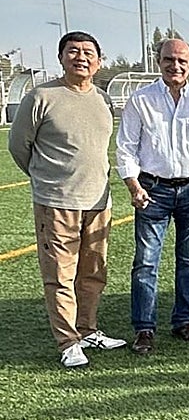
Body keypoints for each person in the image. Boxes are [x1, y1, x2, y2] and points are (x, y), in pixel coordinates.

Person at [9, 30, 126, 367]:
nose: (81, 57)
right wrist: (47, 180)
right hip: (56, 201)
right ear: (61, 58)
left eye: (88, 52)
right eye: (73, 51)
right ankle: (67, 341)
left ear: (99, 61)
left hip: (98, 201)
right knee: (61, 274)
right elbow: (19, 147)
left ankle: (88, 330)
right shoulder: (41, 96)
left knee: (93, 272)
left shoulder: (103, 99)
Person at [115, 37, 189, 355]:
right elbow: (126, 147)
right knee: (146, 262)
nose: (176, 66)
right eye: (169, 59)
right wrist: (133, 186)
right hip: (151, 190)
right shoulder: (140, 101)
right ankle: (144, 328)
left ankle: (183, 321)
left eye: (182, 60)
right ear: (159, 61)